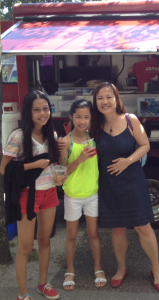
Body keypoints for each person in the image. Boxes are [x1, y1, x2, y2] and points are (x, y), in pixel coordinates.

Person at [89, 82, 159, 292]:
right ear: (95, 103)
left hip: (133, 181)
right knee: (117, 228)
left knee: (143, 227)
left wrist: (127, 160)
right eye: (100, 98)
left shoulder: (130, 120)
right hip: (109, 184)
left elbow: (145, 145)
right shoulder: (94, 125)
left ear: (116, 99)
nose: (104, 101)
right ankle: (121, 269)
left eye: (108, 96)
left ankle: (156, 270)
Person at [0, 90, 63, 300]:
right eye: (37, 109)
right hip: (27, 196)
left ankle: (43, 284)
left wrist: (57, 175)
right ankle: (22, 293)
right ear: (28, 112)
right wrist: (34, 164)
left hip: (50, 193)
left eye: (46, 108)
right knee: (26, 247)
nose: (43, 113)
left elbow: (53, 165)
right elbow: (4, 169)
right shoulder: (18, 135)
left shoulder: (51, 135)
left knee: (45, 240)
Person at [59, 99, 107, 291]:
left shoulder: (94, 136)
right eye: (78, 116)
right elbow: (62, 171)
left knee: (93, 233)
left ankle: (98, 268)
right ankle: (70, 270)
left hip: (92, 193)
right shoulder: (65, 141)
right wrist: (79, 159)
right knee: (71, 235)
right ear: (70, 117)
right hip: (72, 195)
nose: (82, 121)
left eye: (86, 117)